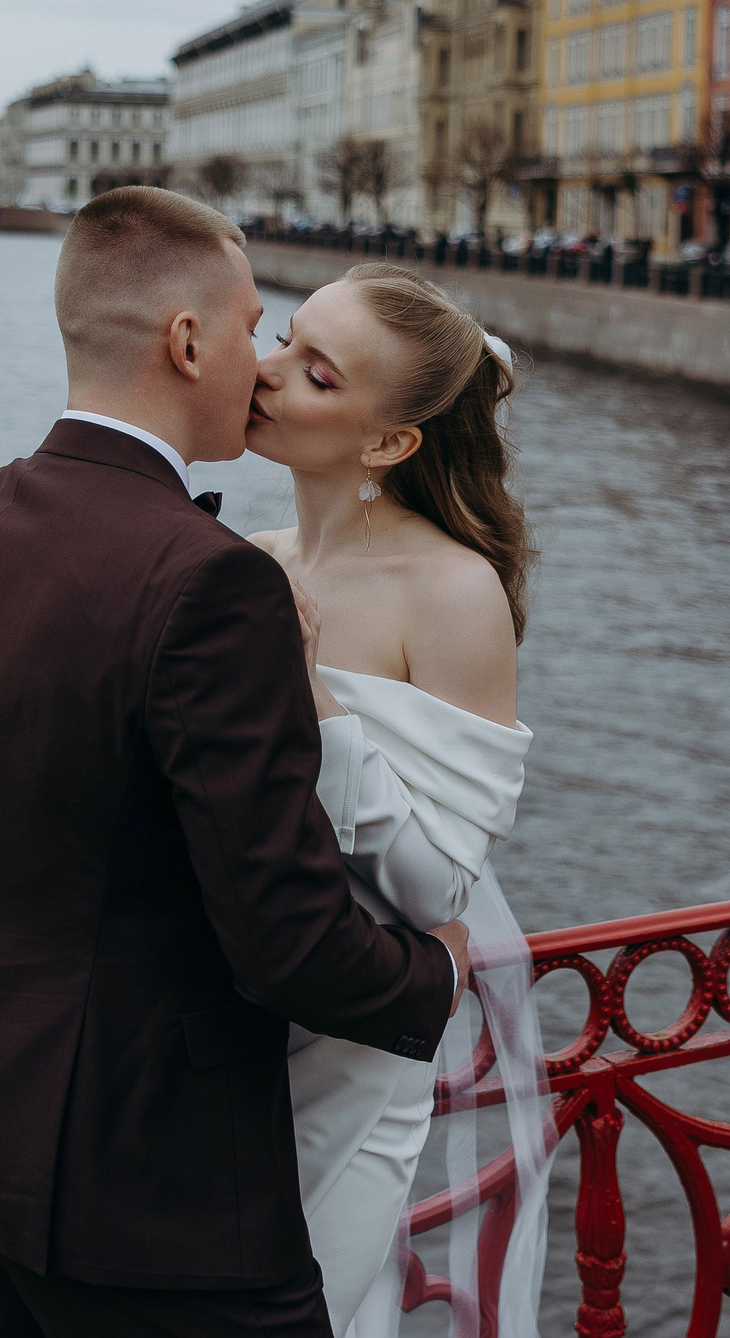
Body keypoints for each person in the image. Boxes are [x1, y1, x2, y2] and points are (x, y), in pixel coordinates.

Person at [0, 186, 471, 1338]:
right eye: (250, 327)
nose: (261, 361)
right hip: (149, 1175)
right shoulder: (214, 578)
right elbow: (286, 939)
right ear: (186, 341)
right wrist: (437, 973)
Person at [244, 266, 544, 1338]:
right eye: (281, 339)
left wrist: (312, 686)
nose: (264, 371)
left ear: (386, 443)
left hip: (350, 1065)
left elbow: (436, 888)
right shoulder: (246, 556)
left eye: (313, 373)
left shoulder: (451, 590)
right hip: (219, 1041)